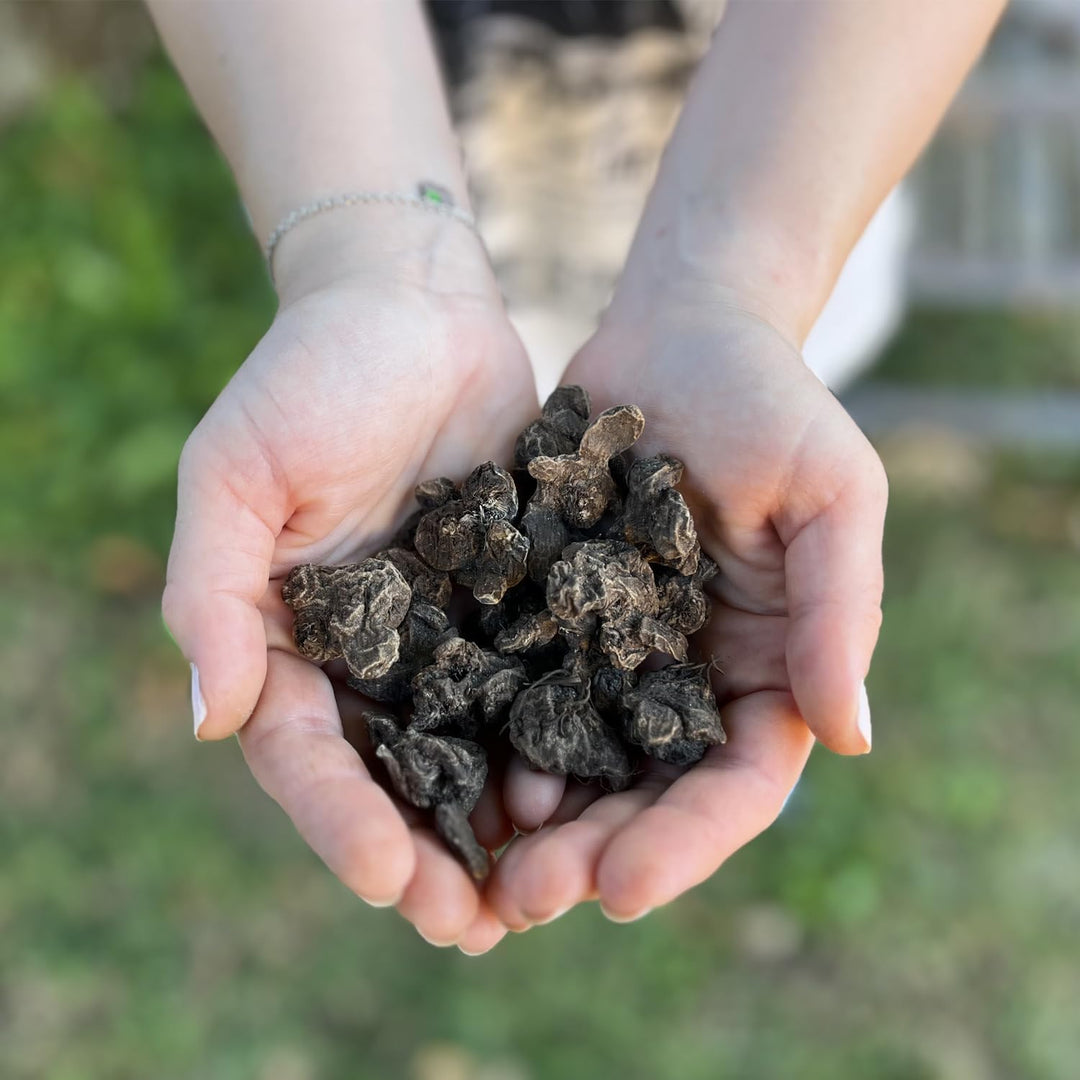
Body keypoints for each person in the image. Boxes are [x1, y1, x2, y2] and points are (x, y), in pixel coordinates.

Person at [148, 0, 1005, 954]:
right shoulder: (503, 554)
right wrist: (366, 255)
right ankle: (703, 733)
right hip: (354, 130)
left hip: (783, 189)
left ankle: (721, 728)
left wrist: (732, 293)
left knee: (762, 491)